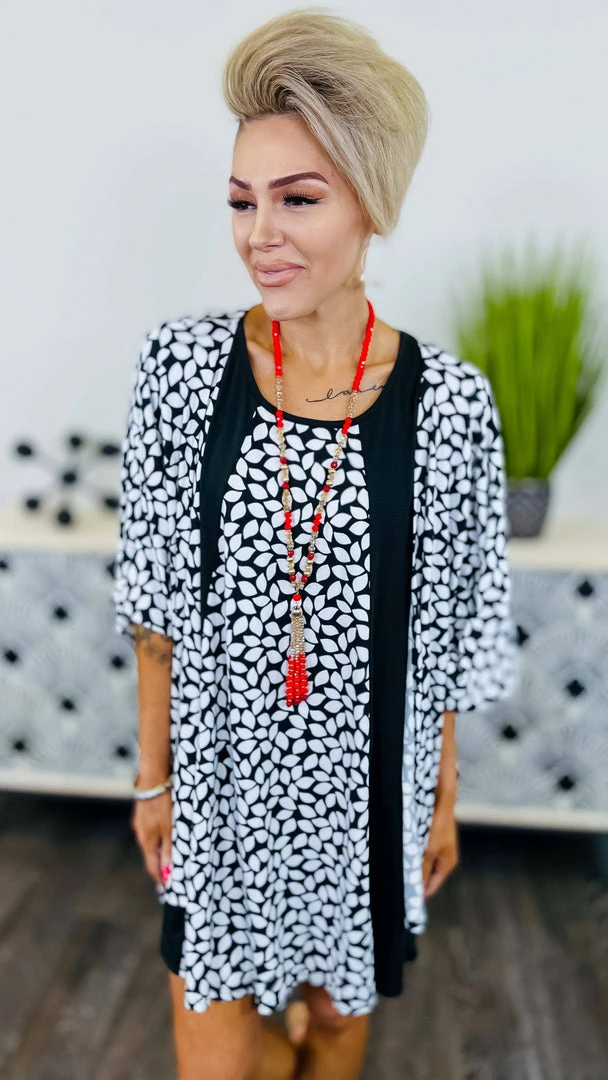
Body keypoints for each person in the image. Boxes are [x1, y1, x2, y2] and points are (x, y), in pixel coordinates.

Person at [112, 9, 519, 1080]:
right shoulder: (180, 371)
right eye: (242, 200)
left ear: (370, 205)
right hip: (221, 790)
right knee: (215, 1051)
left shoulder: (451, 405)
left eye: (298, 199)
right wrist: (152, 781)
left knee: (336, 1032)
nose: (261, 233)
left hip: (371, 797)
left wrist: (441, 797)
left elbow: (447, 628)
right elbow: (154, 603)